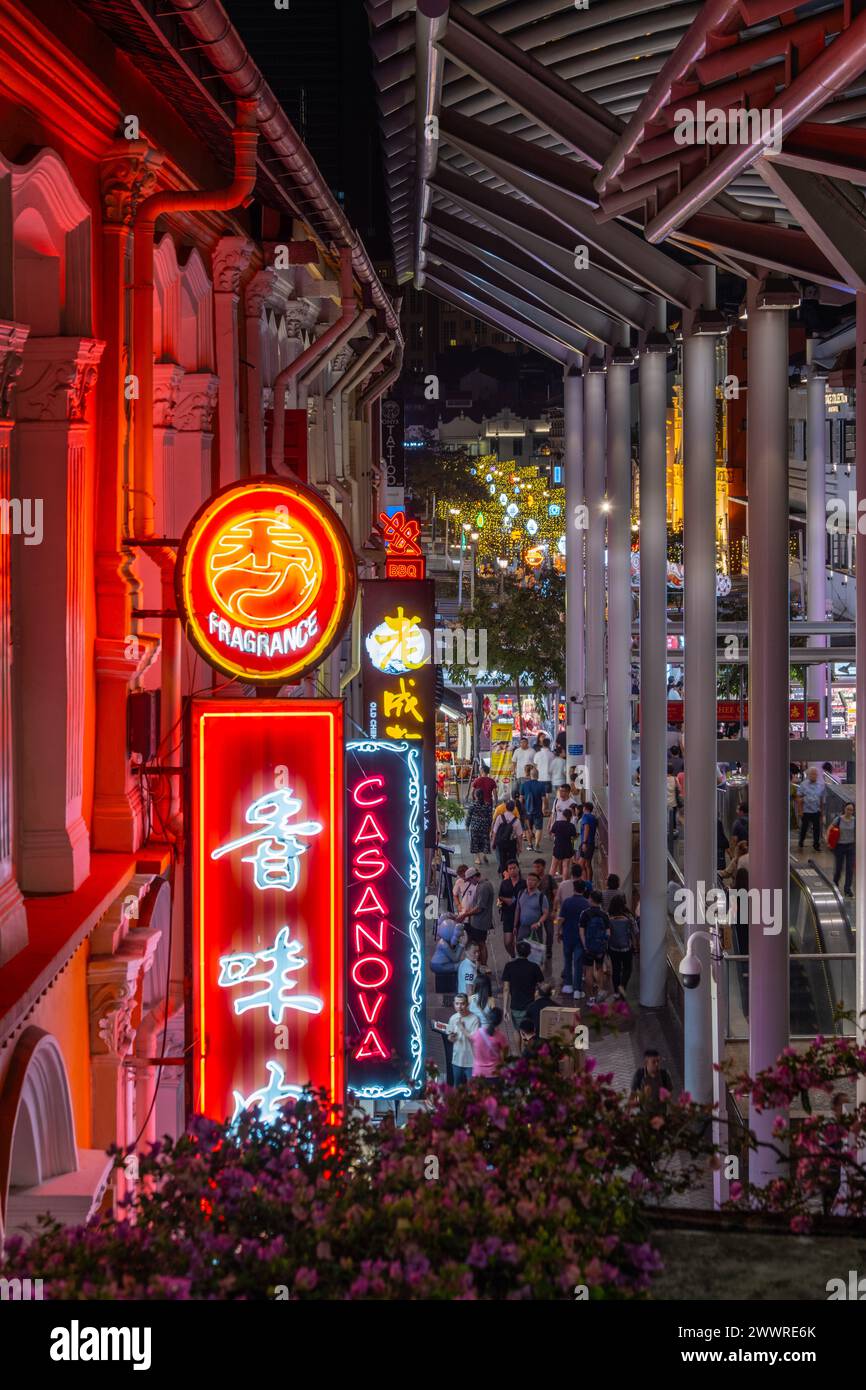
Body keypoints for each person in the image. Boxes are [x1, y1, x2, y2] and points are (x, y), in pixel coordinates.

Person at [559, 873, 591, 997]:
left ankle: (568, 985)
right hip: (580, 939)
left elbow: (561, 919)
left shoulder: (567, 902)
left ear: (574, 889)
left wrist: (558, 932)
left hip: (567, 936)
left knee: (567, 960)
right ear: (584, 890)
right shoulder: (586, 904)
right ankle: (577, 990)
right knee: (578, 963)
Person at [502, 941, 544, 1034]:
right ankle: (526, 1048)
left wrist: (505, 1008)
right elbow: (542, 986)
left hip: (515, 1006)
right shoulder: (534, 967)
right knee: (528, 1032)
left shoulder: (509, 966)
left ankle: (518, 1049)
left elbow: (506, 989)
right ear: (529, 953)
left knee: (517, 1031)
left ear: (517, 952)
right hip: (530, 1005)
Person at [458, 865, 494, 966]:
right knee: (478, 944)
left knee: (481, 944)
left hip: (481, 922)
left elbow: (479, 907)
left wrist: (465, 914)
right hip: (478, 921)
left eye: (470, 880)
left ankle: (483, 966)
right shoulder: (482, 885)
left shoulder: (483, 887)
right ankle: (481, 965)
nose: (469, 882)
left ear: (474, 877)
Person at [578, 891, 610, 1003]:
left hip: (589, 948)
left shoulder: (585, 914)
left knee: (588, 971)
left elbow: (581, 932)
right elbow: (608, 933)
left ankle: (591, 997)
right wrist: (603, 945)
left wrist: (585, 945)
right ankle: (600, 993)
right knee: (600, 969)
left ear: (591, 899)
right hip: (600, 948)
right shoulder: (604, 915)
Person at [607, 893, 637, 1000]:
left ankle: (615, 992)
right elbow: (635, 931)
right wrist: (635, 945)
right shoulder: (628, 917)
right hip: (626, 948)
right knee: (628, 968)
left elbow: (607, 933)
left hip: (613, 947)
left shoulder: (608, 917)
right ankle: (622, 986)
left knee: (616, 969)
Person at [446, 993, 480, 1086]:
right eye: (457, 1004)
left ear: (467, 1004)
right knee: (457, 1089)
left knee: (472, 1091)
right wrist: (451, 1037)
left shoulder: (475, 1019)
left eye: (462, 1004)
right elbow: (449, 1037)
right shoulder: (453, 1018)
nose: (459, 1007)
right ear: (454, 1004)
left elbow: (474, 1039)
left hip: (471, 1062)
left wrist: (462, 1028)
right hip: (457, 1060)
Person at [497, 859, 526, 959]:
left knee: (520, 941)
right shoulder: (505, 883)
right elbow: (500, 896)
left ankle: (520, 958)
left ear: (518, 868)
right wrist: (504, 901)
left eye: (514, 868)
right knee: (508, 942)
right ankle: (513, 955)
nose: (513, 870)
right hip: (508, 915)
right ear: (507, 871)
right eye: (510, 868)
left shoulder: (524, 883)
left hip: (521, 916)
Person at [470, 1005, 509, 1078]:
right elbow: (504, 1056)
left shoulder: (478, 1033)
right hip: (494, 1074)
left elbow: (472, 1044)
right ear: (500, 1021)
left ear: (488, 1018)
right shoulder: (501, 1037)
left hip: (478, 1074)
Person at [514, 870, 550, 948]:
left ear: (538, 883)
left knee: (535, 954)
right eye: (528, 879)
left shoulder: (541, 897)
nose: (530, 882)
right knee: (521, 950)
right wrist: (515, 925)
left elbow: (546, 913)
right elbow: (518, 910)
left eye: (533, 880)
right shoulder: (521, 893)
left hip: (535, 928)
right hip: (523, 927)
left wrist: (538, 923)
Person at [797, 766, 826, 850]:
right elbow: (799, 798)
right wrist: (800, 811)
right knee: (804, 828)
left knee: (817, 829)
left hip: (816, 810)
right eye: (812, 774)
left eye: (815, 774)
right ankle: (801, 842)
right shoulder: (803, 784)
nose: (814, 775)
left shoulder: (820, 785)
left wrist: (822, 811)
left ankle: (816, 845)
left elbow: (821, 799)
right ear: (808, 775)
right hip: (806, 811)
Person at [830, 801, 855, 897]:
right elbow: (830, 829)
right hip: (839, 846)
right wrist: (830, 842)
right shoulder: (838, 819)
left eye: (851, 810)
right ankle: (835, 883)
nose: (849, 811)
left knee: (850, 869)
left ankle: (847, 889)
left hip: (851, 846)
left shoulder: (855, 821)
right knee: (839, 868)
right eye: (848, 809)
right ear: (844, 809)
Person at [491, 798, 523, 871]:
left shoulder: (500, 817)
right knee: (512, 859)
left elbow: (495, 831)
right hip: (511, 843)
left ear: (506, 807)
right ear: (514, 808)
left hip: (501, 842)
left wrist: (493, 843)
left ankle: (504, 874)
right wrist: (519, 847)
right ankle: (512, 872)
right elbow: (519, 835)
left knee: (502, 859)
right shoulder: (516, 820)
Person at [520, 765, 545, 850]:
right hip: (538, 810)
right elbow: (544, 799)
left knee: (528, 828)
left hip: (527, 811)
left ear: (530, 775)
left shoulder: (525, 785)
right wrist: (544, 808)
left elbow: (521, 798)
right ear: (538, 775)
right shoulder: (541, 785)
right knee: (538, 828)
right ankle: (537, 844)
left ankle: (530, 845)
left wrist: (521, 809)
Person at [466, 789, 492, 866]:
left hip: (475, 827)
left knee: (475, 842)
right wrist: (490, 826)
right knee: (485, 841)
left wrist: (467, 825)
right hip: (485, 826)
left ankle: (478, 858)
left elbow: (469, 816)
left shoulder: (473, 805)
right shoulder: (487, 805)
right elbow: (490, 817)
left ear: (475, 796)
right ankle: (484, 855)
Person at [550, 807, 578, 878]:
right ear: (570, 816)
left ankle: (549, 883)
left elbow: (552, 834)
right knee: (566, 866)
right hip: (567, 847)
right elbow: (574, 837)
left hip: (558, 846)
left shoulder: (557, 823)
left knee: (553, 866)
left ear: (563, 815)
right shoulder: (571, 826)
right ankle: (565, 882)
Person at [533, 736, 555, 814]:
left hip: (539, 778)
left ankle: (542, 810)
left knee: (540, 796)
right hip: (548, 778)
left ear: (542, 743)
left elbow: (535, 766)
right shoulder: (552, 755)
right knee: (547, 795)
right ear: (549, 744)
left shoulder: (537, 754)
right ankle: (546, 810)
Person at [578, 801, 599, 867]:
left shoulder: (585, 816)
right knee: (588, 864)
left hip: (586, 842)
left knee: (581, 864)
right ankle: (588, 877)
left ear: (585, 808)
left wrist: (584, 842)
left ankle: (581, 877)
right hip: (591, 842)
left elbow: (586, 828)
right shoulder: (593, 817)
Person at [666, 764, 679, 845]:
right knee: (673, 817)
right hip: (673, 802)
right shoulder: (675, 779)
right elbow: (679, 788)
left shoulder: (662, 778)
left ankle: (665, 830)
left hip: (664, 802)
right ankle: (673, 831)